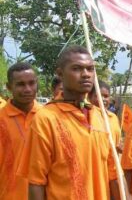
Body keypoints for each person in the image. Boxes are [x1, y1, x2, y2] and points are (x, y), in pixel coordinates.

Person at [17, 45, 120, 200]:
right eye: (77, 69)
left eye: (90, 69)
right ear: (60, 73)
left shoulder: (103, 118)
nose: (86, 74)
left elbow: (114, 174)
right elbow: (36, 182)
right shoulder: (46, 118)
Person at [0, 62, 41, 199]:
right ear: (9, 87)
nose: (28, 89)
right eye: (20, 84)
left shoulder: (48, 117)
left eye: (31, 83)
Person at [89, 80, 121, 153]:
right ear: (89, 97)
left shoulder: (113, 117)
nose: (103, 99)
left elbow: (117, 141)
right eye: (98, 96)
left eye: (106, 96)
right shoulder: (87, 115)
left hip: (112, 163)